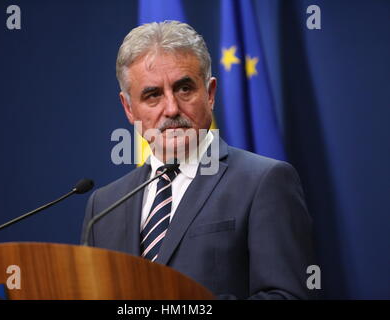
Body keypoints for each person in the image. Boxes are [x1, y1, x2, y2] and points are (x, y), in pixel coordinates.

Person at [81, 21, 316, 299]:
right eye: (153, 95)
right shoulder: (104, 206)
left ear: (210, 93)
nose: (171, 109)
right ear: (129, 108)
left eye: (184, 89)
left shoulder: (264, 181)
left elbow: (288, 296)